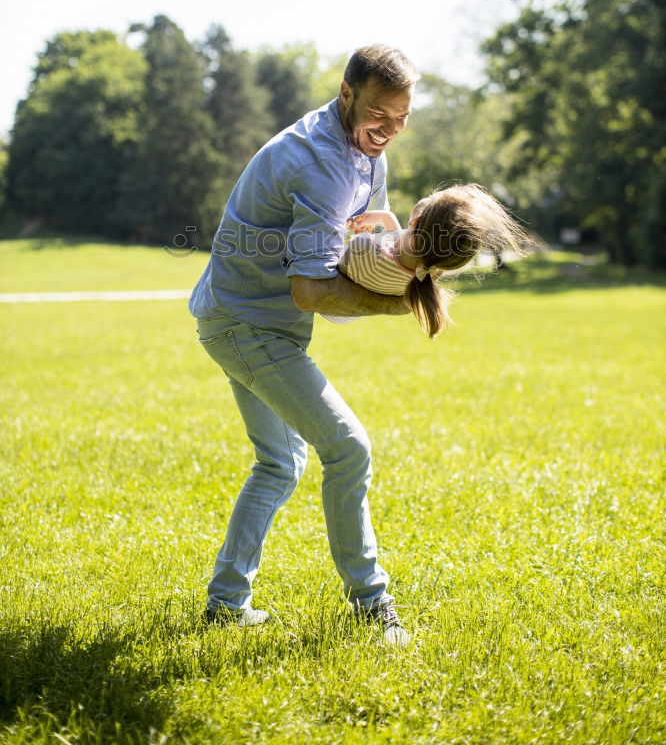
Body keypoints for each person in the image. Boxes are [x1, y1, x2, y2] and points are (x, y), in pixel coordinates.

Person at [190, 44, 418, 645]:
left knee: (279, 462)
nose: (389, 131)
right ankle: (374, 607)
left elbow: (363, 231)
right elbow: (310, 292)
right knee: (348, 449)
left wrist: (411, 250)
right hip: (248, 326)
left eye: (401, 119)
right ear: (347, 95)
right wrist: (401, 303)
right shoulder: (318, 161)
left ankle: (225, 605)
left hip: (241, 318)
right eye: (378, 115)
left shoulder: (366, 152)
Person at [325, 184, 528, 336]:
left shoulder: (365, 248)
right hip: (345, 314)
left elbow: (335, 263)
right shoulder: (420, 278)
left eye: (433, 197)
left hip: (333, 301)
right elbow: (397, 258)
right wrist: (388, 220)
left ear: (416, 221)